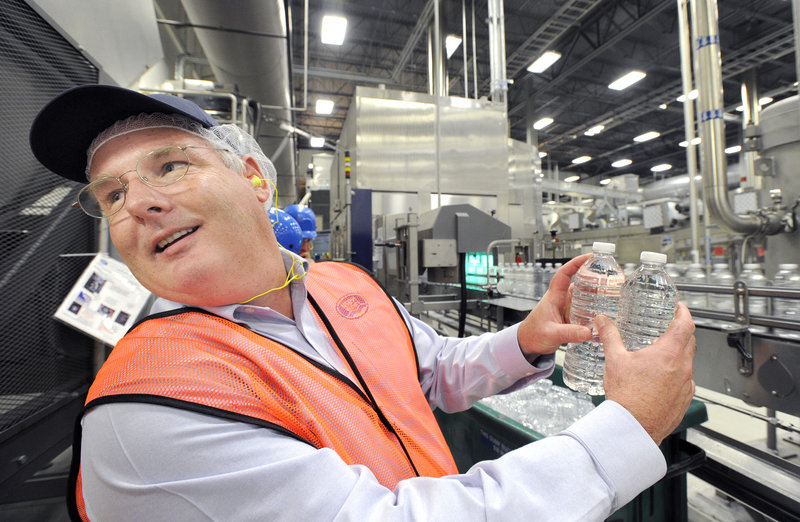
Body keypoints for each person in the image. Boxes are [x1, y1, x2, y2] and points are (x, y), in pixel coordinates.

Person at [30, 84, 696, 521]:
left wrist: (527, 338)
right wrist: (628, 429)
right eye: (113, 194)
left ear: (255, 179)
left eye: (171, 165)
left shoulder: (341, 285)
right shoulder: (152, 406)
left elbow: (429, 368)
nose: (139, 202)